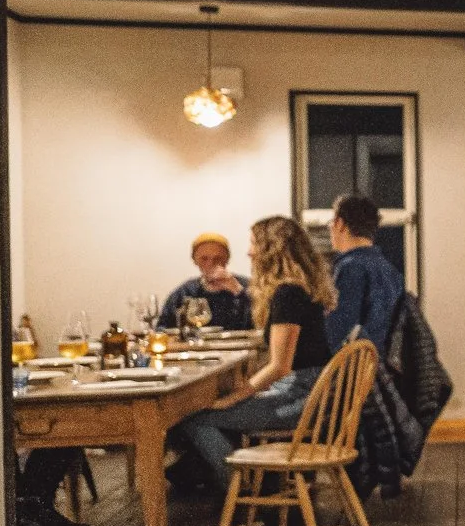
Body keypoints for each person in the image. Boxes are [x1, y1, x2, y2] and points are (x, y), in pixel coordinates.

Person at [175, 215, 335, 492]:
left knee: (195, 419)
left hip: (301, 398)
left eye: (253, 244)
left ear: (271, 249)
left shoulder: (287, 294)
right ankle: (251, 484)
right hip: (309, 391)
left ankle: (242, 493)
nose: (249, 251)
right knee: (211, 412)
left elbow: (280, 367)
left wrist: (236, 396)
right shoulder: (297, 289)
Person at [325, 193, 405, 352]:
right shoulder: (390, 270)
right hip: (378, 369)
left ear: (340, 223)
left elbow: (336, 333)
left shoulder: (350, 268)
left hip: (354, 371)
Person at [160, 232, 255, 331]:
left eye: (217, 258)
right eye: (204, 259)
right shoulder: (185, 291)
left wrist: (238, 291)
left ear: (227, 259)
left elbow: (262, 323)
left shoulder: (247, 286)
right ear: (195, 261)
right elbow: (162, 328)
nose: (211, 263)